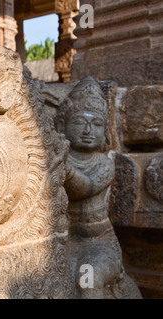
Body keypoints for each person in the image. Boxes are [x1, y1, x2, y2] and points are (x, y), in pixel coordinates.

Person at [57, 77, 140, 298]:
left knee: (88, 280)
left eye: (96, 124)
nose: (87, 130)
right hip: (65, 239)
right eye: (79, 122)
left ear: (105, 131)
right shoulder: (58, 159)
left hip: (98, 243)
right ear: (62, 125)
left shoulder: (103, 163)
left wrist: (62, 168)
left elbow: (84, 188)